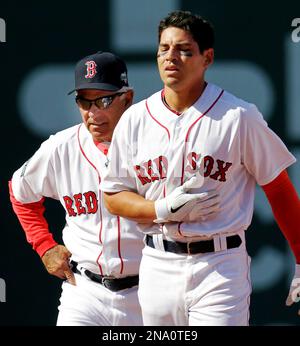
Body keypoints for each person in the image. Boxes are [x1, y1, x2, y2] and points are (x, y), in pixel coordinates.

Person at [100, 10, 300, 326]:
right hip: (157, 264)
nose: (171, 58)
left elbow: (279, 189)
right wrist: (162, 208)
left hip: (219, 264)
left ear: (207, 58)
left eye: (184, 50)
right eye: (164, 49)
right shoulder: (135, 120)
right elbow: (113, 196)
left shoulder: (238, 117)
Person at [9, 51, 144, 326]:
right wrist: (45, 246)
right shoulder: (60, 148)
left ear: (127, 99)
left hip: (150, 292)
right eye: (84, 101)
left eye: (104, 100)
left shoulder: (155, 144)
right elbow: (20, 192)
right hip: (86, 292)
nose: (93, 112)